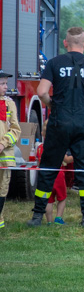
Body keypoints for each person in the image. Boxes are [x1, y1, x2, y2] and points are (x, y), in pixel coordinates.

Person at [26, 27, 84, 228]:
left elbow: (42, 92)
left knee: (48, 169)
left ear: (65, 43)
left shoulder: (54, 63)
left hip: (59, 123)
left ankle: (38, 216)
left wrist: (52, 105)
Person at [0, 70, 20, 229]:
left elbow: (15, 130)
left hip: (4, 156)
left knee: (3, 188)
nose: (5, 87)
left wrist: (3, 143)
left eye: (6, 83)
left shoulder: (9, 103)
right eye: (2, 84)